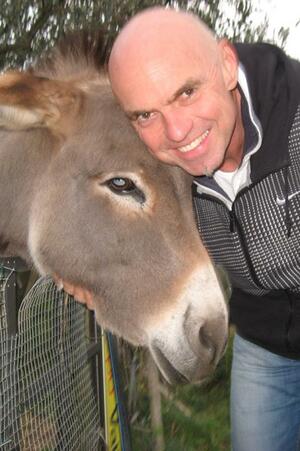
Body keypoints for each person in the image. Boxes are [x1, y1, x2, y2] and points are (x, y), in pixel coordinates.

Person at [106, 7, 300, 451]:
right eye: (144, 115)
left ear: (227, 65)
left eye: (187, 92)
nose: (177, 131)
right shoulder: (161, 164)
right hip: (263, 341)